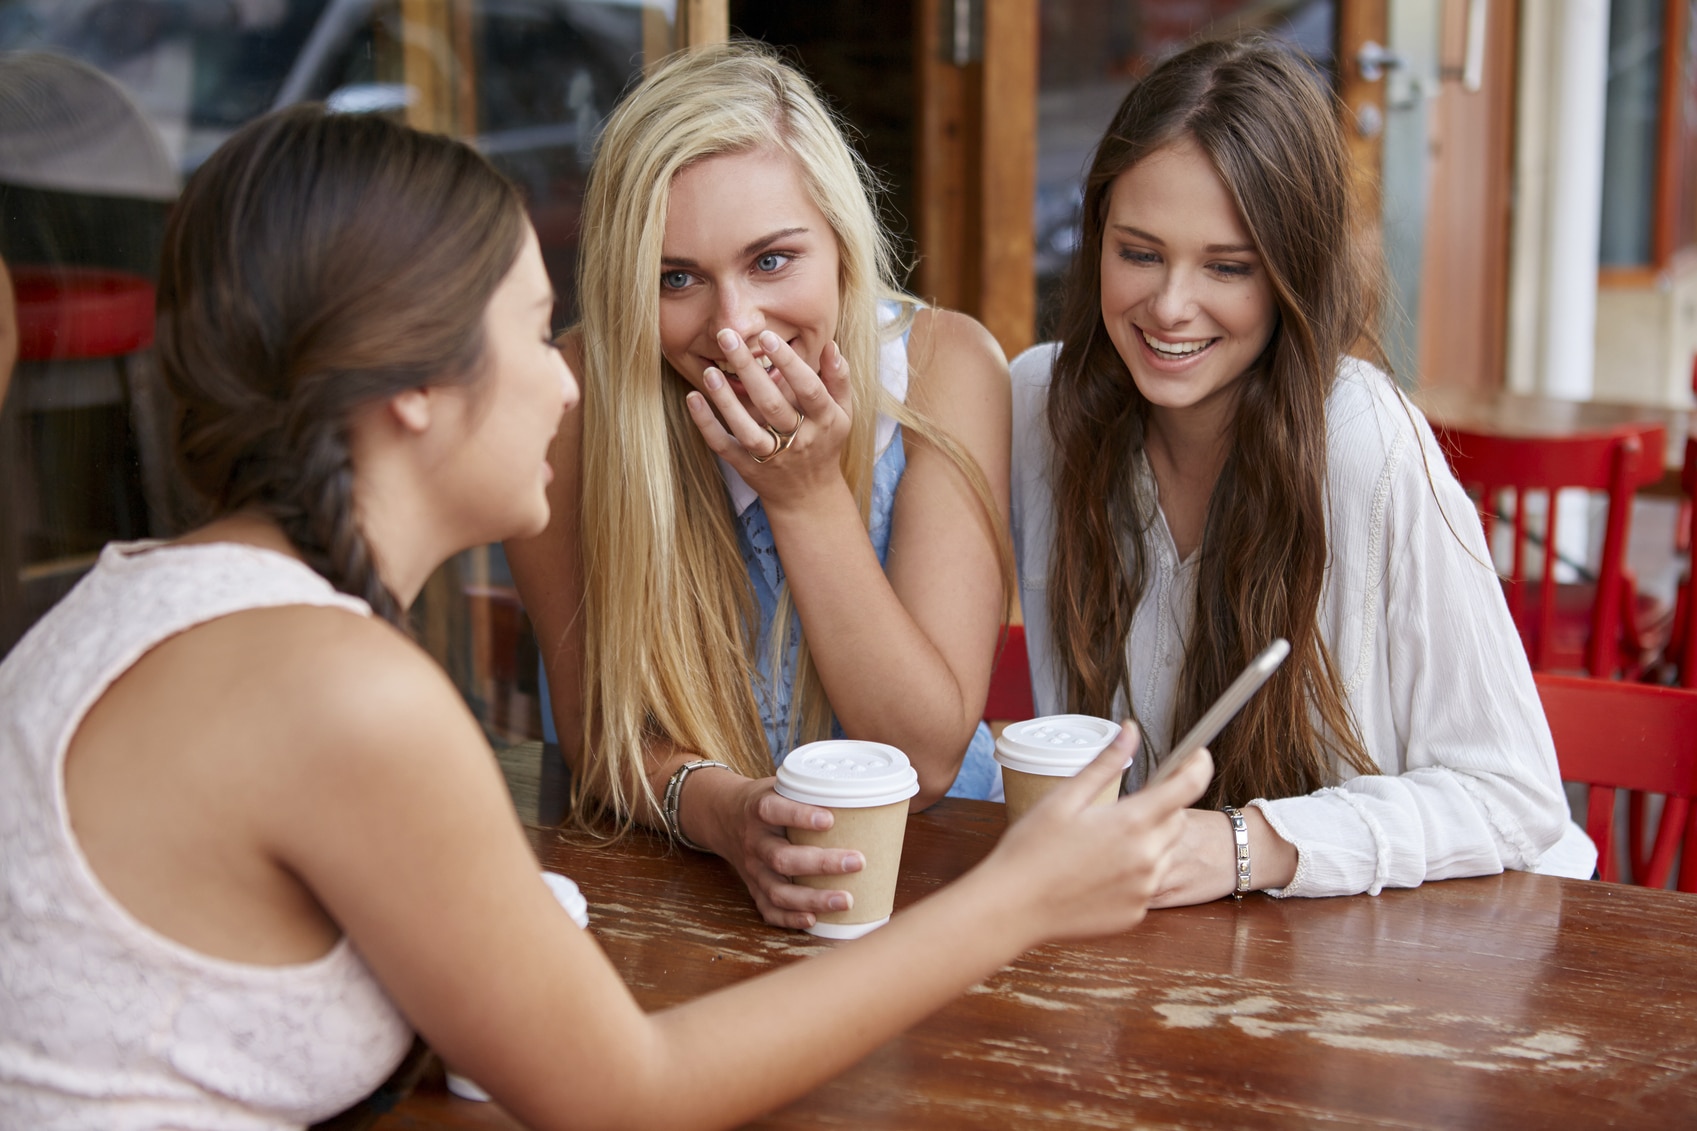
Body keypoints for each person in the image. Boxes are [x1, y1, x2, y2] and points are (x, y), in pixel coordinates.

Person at [0, 103, 1213, 1129]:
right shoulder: (345, 693)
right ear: (418, 389)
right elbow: (624, 1097)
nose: (568, 375)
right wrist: (1019, 899)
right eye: (534, 332)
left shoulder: (153, 590)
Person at [1010, 36, 1594, 906]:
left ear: (1293, 273)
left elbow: (1517, 801)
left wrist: (1251, 844)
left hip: (1428, 957)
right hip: (1176, 953)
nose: (1169, 306)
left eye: (1227, 267)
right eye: (1138, 252)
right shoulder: (1038, 406)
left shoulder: (1360, 437)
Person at [508, 44, 1014, 930]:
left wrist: (806, 495)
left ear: (841, 244)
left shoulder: (944, 364)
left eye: (772, 261)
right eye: (676, 279)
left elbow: (925, 757)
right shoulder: (570, 400)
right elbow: (598, 735)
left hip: (932, 887)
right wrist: (728, 816)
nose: (734, 326)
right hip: (678, 891)